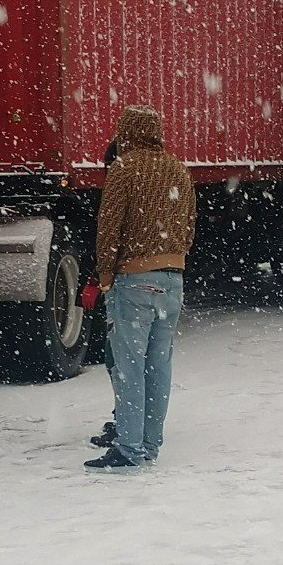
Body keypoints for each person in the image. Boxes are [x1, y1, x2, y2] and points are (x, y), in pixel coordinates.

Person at [86, 105, 195, 472]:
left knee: (128, 367)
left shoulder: (123, 168)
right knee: (158, 365)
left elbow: (109, 227)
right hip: (173, 278)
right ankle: (149, 444)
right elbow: (190, 226)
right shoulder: (178, 168)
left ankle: (128, 448)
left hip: (133, 280)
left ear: (126, 132)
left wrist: (105, 274)